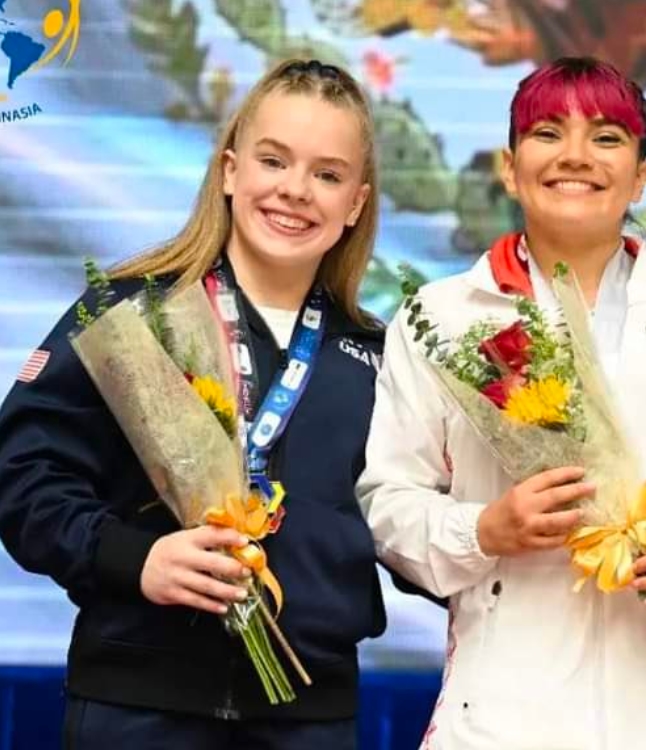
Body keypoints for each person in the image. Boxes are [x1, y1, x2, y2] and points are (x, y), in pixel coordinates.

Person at [0, 59, 405, 749]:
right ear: (229, 171)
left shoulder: (379, 358)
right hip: (136, 708)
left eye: (327, 174)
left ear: (356, 204)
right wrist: (133, 559)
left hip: (308, 720)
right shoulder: (130, 315)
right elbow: (22, 474)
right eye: (273, 160)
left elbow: (412, 517)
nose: (295, 189)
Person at [357, 56, 646, 750]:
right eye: (547, 133)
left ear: (642, 175)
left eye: (606, 138)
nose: (575, 155)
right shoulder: (444, 320)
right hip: (496, 721)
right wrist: (485, 529)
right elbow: (387, 501)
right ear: (509, 168)